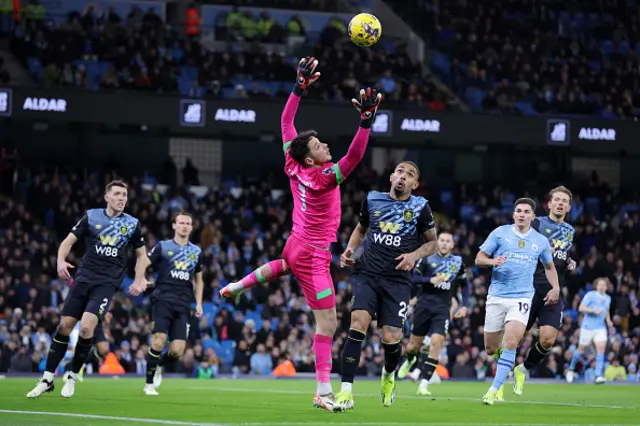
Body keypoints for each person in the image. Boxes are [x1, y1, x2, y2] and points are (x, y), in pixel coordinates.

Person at [221, 56, 382, 411]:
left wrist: (299, 87)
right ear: (311, 159)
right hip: (312, 254)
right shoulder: (323, 177)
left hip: (294, 246)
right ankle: (323, 391)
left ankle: (237, 286)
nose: (325, 145)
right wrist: (366, 123)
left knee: (282, 265)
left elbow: (285, 121)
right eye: (319, 146)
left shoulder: (293, 163)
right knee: (328, 323)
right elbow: (354, 158)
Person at [27, 180, 148, 399]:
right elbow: (67, 242)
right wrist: (61, 262)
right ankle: (46, 379)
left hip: (107, 283)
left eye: (125, 195)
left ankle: (72, 375)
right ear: (107, 197)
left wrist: (139, 280)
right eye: (118, 194)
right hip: (83, 278)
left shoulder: (131, 224)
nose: (122, 198)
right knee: (64, 326)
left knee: (86, 328)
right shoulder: (91, 216)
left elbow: (142, 255)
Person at [333, 161, 438, 411]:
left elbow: (432, 243)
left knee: (391, 339)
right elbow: (361, 228)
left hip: (398, 280)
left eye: (410, 174)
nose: (403, 177)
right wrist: (350, 249)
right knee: (357, 324)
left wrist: (414, 256)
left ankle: (389, 374)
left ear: (415, 184)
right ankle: (345, 391)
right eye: (400, 172)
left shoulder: (421, 207)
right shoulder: (372, 200)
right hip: (368, 274)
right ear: (391, 177)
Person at [475, 198, 559, 406]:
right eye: (518, 211)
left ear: (532, 216)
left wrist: (556, 287)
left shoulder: (540, 241)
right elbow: (479, 258)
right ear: (513, 214)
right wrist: (493, 261)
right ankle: (507, 366)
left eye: (526, 211)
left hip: (522, 298)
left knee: (511, 342)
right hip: (497, 296)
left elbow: (549, 267)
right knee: (491, 348)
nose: (522, 214)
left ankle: (494, 390)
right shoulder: (500, 233)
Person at [511, 186, 576, 395]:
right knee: (517, 339)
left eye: (564, 201)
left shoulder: (570, 231)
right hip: (530, 289)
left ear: (568, 206)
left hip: (554, 291)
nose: (560, 203)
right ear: (549, 203)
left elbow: (561, 258)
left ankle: (523, 369)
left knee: (548, 339)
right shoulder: (537, 223)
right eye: (556, 199)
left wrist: (568, 262)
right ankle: (501, 377)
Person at [397, 231, 470, 396]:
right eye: (442, 240)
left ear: (452, 245)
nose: (444, 243)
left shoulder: (458, 262)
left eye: (447, 241)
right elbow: (414, 278)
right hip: (424, 306)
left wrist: (464, 306)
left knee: (435, 344)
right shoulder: (427, 258)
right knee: (412, 346)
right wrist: (430, 280)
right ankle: (410, 360)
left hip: (442, 309)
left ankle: (423, 384)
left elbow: (465, 285)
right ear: (438, 243)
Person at [140, 212, 204, 395]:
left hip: (183, 304)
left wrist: (198, 303)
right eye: (181, 223)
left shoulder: (196, 252)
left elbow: (199, 280)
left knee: (177, 351)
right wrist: (140, 279)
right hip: (163, 300)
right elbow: (144, 262)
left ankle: (159, 365)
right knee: (158, 341)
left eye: (188, 223)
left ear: (191, 227)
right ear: (174, 225)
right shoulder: (163, 246)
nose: (185, 226)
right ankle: (149, 384)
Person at [566, 277, 612, 384]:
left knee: (601, 350)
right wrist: (593, 310)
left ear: (606, 287)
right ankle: (571, 369)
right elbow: (581, 308)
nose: (602, 287)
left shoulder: (608, 298)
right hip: (587, 327)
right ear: (596, 286)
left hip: (600, 328)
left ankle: (598, 375)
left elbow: (606, 310)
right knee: (580, 351)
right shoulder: (590, 295)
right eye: (600, 285)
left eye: (604, 285)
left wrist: (608, 320)